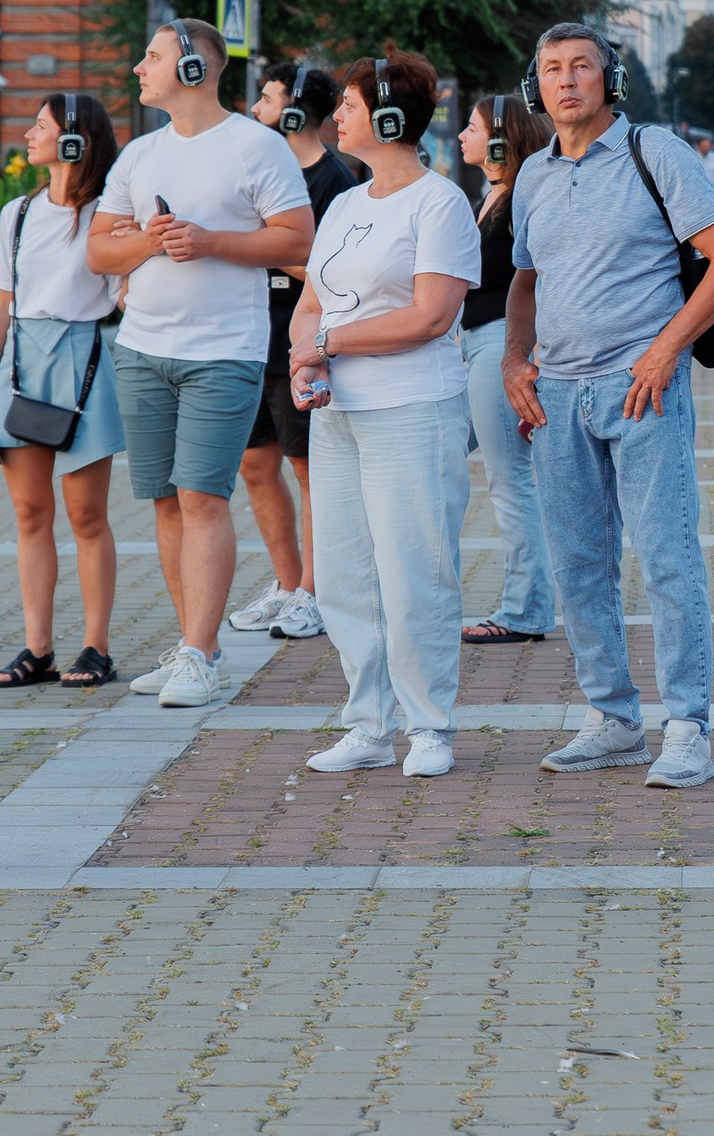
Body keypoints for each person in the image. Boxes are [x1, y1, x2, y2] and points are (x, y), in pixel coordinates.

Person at [503, 22, 714, 787]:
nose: (567, 79)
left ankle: (687, 727)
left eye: (582, 66)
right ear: (534, 89)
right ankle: (612, 717)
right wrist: (515, 359)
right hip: (557, 398)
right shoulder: (532, 176)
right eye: (552, 69)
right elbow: (525, 278)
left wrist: (666, 346)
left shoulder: (656, 152)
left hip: (642, 388)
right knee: (579, 567)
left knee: (667, 559)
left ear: (610, 80)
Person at [88, 18, 315, 709]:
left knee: (201, 495)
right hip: (142, 349)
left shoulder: (255, 146)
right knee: (163, 499)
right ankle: (199, 646)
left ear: (194, 69)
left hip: (224, 349)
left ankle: (196, 654)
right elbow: (99, 251)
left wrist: (211, 240)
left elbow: (297, 235)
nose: (138, 67)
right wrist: (150, 244)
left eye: (151, 56)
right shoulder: (139, 154)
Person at [292, 51, 484, 777]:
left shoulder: (440, 203)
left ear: (392, 118)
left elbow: (432, 314)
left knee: (415, 572)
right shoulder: (344, 203)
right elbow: (311, 301)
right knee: (344, 572)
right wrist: (302, 356)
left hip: (411, 409)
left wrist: (327, 342)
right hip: (337, 410)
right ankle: (367, 723)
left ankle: (428, 725)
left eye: (347, 104)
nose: (335, 115)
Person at [0, 93, 126, 689]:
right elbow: (1, 302)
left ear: (74, 141)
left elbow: (125, 292)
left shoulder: (110, 215)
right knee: (30, 512)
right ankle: (38, 650)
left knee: (87, 515)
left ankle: (96, 647)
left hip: (83, 359)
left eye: (41, 126)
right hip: (21, 366)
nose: (28, 135)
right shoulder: (18, 213)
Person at [227, 62, 360, 644]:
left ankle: (315, 592)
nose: (257, 106)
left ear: (297, 109)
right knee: (255, 465)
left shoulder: (336, 180)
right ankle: (286, 584)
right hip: (246, 334)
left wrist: (265, 249)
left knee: (310, 473)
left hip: (299, 341)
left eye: (268, 97)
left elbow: (338, 272)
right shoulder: (260, 168)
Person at [458, 90, 557, 644]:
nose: (461, 137)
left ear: (500, 138)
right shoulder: (493, 195)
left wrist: (530, 353)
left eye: (472, 129)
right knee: (440, 456)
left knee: (510, 479)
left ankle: (525, 610)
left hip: (500, 346)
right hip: (473, 345)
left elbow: (539, 277)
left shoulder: (522, 197)